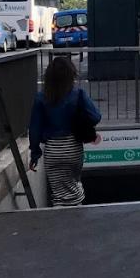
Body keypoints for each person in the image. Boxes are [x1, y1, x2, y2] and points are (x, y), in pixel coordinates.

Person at [29, 56, 102, 206]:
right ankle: (77, 210)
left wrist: (35, 154)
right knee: (73, 184)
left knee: (58, 191)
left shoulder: (41, 98)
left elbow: (34, 129)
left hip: (53, 149)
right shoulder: (78, 94)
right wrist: (79, 122)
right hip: (73, 147)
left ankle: (61, 213)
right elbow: (95, 116)